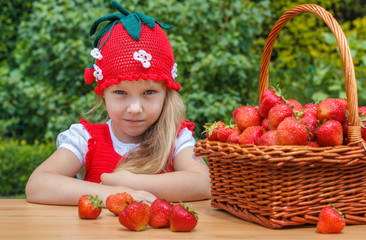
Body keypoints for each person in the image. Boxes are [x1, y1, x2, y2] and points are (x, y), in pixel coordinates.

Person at [25, 0, 211, 206]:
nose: (134, 108)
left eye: (149, 92)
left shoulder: (174, 139)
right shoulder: (87, 139)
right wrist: (113, 194)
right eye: (120, 92)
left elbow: (203, 183)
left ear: (166, 92)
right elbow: (37, 185)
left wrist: (130, 181)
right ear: (103, 92)